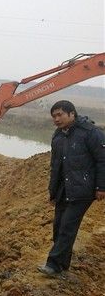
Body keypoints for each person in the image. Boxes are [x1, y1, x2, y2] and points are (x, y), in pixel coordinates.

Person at [37, 100, 105, 278]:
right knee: (59, 226)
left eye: (60, 115)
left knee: (67, 226)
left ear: (72, 114)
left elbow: (102, 160)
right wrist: (53, 192)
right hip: (64, 189)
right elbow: (55, 166)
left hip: (83, 189)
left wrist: (101, 187)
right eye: (54, 116)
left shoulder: (90, 133)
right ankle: (62, 265)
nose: (57, 119)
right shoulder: (58, 136)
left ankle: (52, 265)